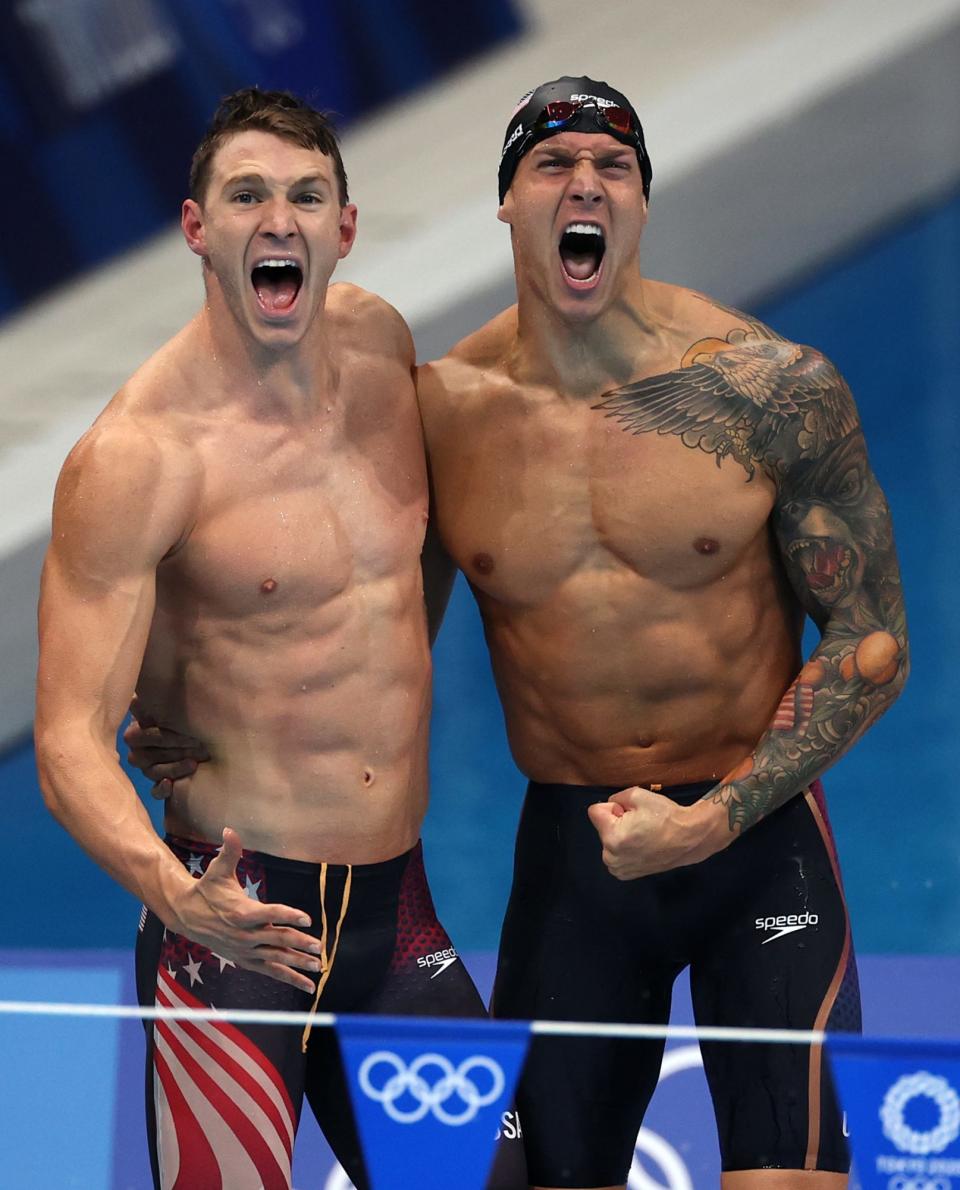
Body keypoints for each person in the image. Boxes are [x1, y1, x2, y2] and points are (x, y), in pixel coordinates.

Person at [131, 77, 908, 1190]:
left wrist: (712, 820)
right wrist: (201, 720)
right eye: (553, 165)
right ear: (507, 203)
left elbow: (873, 642)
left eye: (614, 168)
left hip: (758, 842)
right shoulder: (444, 412)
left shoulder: (767, 388)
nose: (584, 186)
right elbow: (369, 627)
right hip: (574, 858)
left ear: (641, 203)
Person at [34, 88, 523, 1190]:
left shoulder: (382, 346)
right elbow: (65, 742)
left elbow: (396, 578)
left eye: (306, 196)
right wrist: (176, 893)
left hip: (397, 912)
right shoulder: (140, 457)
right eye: (247, 195)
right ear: (197, 227)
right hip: (236, 926)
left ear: (345, 227)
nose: (279, 221)